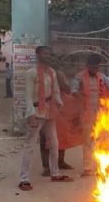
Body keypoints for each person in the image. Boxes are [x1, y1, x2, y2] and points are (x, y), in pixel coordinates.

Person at [19, 46, 72, 191]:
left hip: (50, 113)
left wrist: (60, 106)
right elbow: (28, 96)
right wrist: (30, 116)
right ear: (38, 55)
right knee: (29, 146)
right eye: (45, 54)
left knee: (55, 144)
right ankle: (24, 179)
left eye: (50, 54)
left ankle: (55, 173)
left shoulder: (52, 73)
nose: (48, 56)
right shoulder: (31, 73)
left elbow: (55, 93)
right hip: (36, 113)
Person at [71, 54, 109, 178]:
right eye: (92, 67)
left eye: (96, 67)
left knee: (103, 141)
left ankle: (102, 167)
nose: (94, 70)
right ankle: (87, 168)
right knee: (87, 142)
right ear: (87, 66)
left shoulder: (102, 77)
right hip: (86, 114)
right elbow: (73, 90)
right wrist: (80, 97)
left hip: (101, 114)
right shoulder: (79, 77)